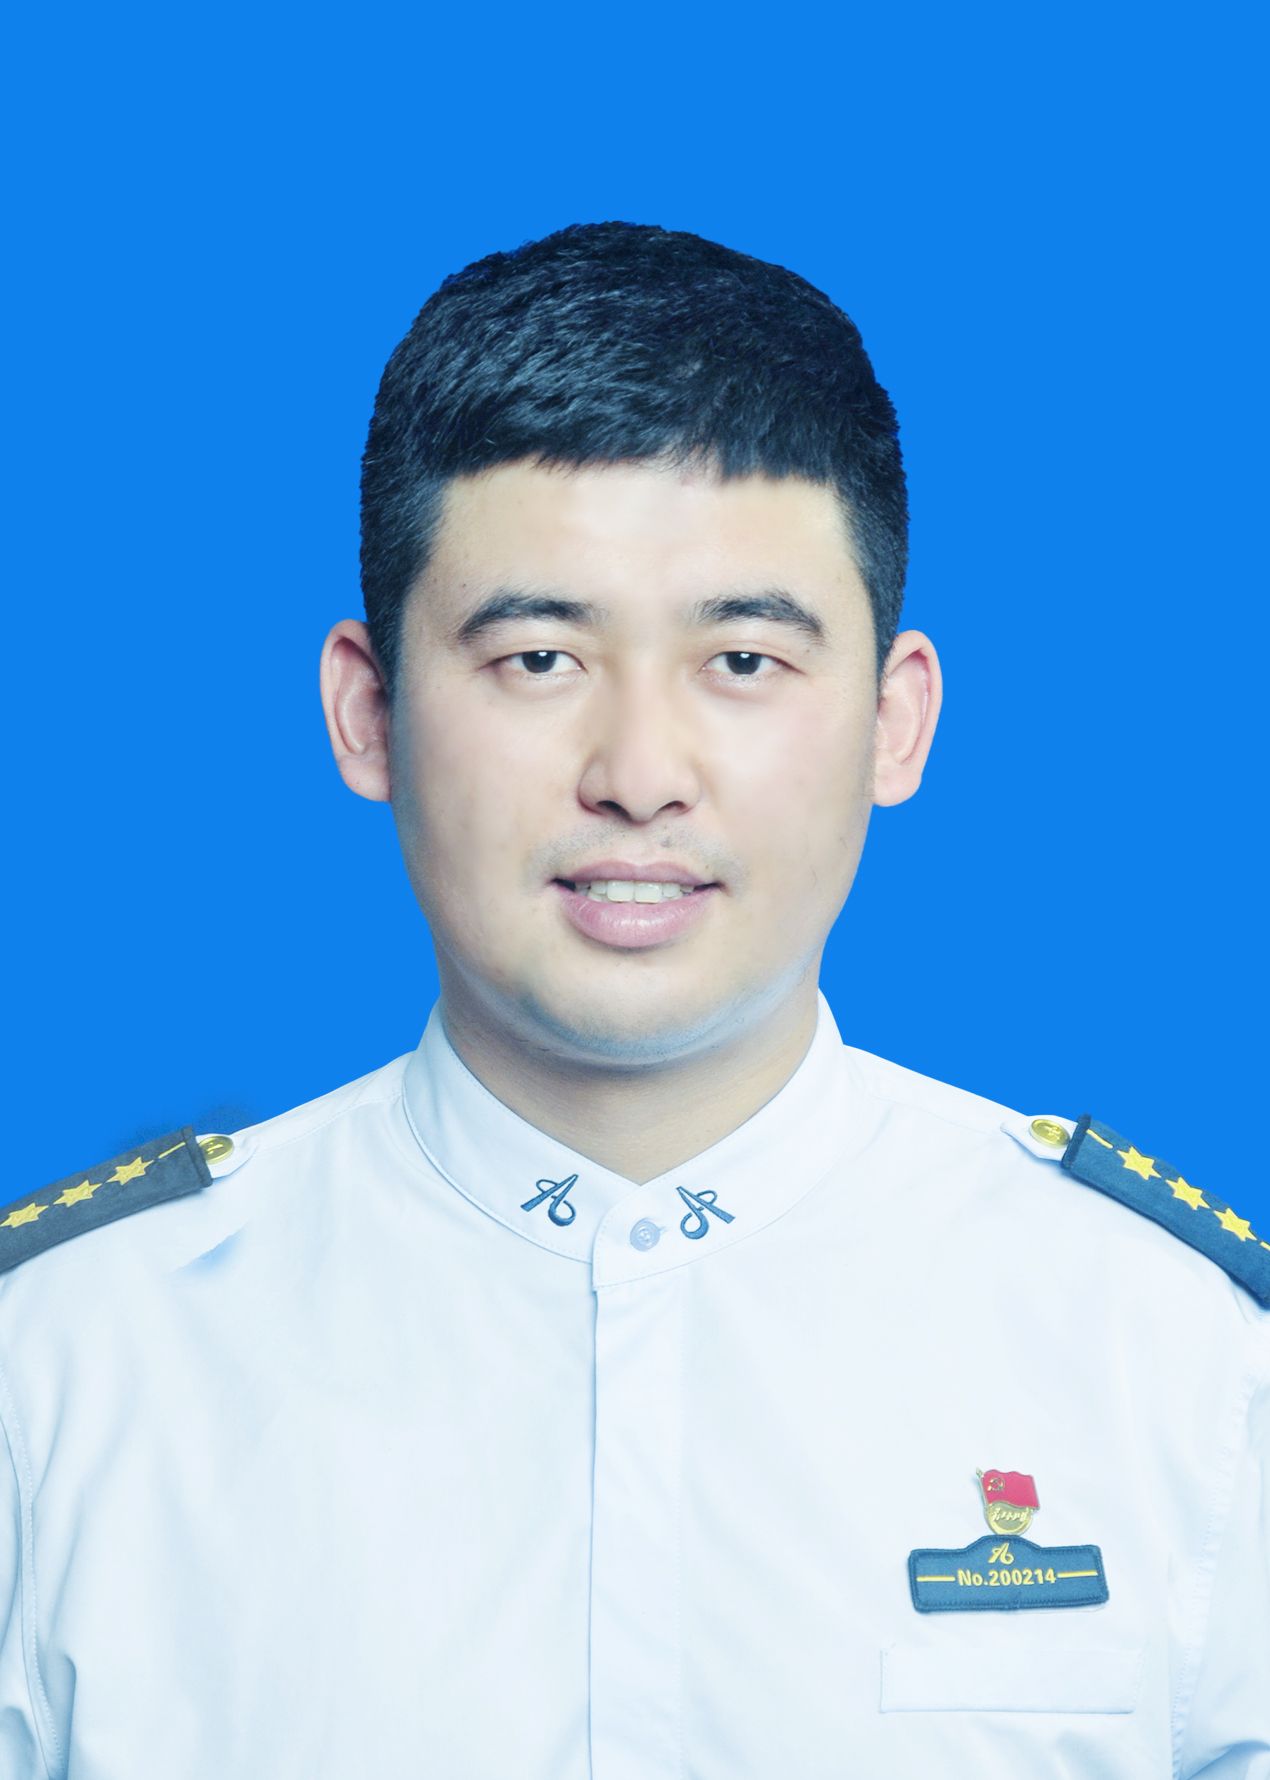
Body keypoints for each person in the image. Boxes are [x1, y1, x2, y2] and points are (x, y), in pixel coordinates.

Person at [0, 221, 1265, 1779]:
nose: (640, 776)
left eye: (742, 660)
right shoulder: (60, 1371)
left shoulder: (1181, 1365)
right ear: (368, 712)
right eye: (539, 659)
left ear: (894, 721)